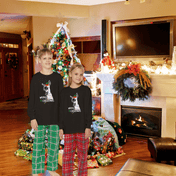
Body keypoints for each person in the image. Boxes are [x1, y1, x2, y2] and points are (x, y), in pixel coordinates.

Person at [27, 48, 63, 176]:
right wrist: (32, 117)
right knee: (38, 146)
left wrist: (61, 124)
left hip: (55, 118)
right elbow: (32, 99)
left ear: (52, 60)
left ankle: (52, 169)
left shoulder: (57, 78)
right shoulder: (36, 78)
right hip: (39, 118)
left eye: (49, 58)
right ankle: (37, 170)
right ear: (39, 60)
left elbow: (61, 101)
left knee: (54, 146)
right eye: (44, 58)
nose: (47, 60)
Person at [59, 63, 92, 176]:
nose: (78, 76)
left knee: (83, 156)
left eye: (81, 74)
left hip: (83, 129)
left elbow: (88, 110)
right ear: (70, 74)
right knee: (67, 155)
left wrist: (88, 127)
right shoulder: (63, 92)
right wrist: (61, 128)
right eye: (76, 74)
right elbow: (61, 111)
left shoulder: (86, 91)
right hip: (68, 129)